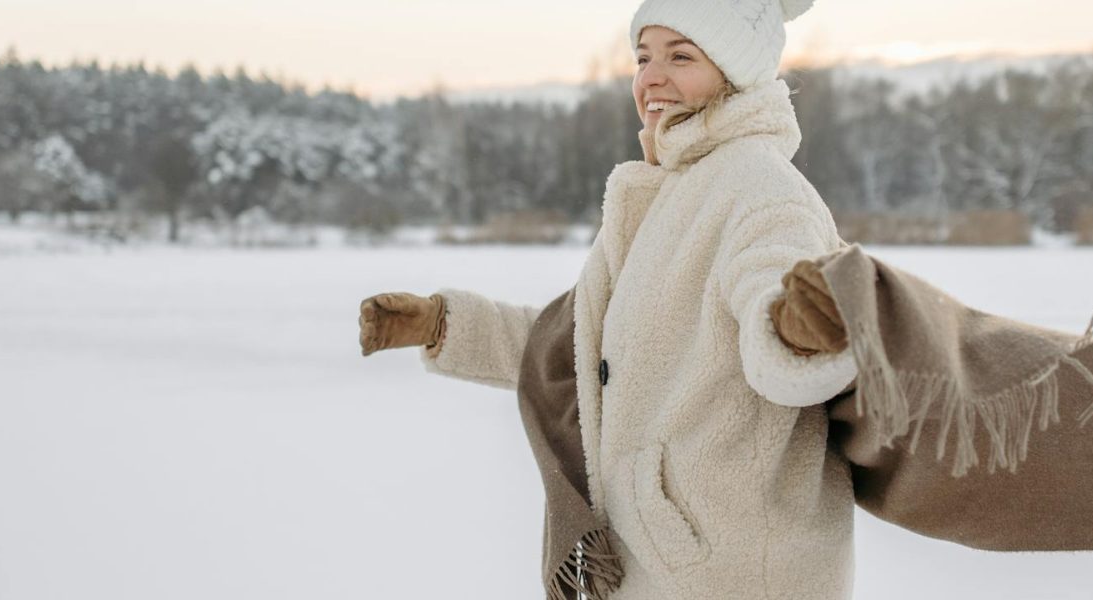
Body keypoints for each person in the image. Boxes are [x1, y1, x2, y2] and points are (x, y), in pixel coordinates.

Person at [360, 1, 859, 597]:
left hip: (732, 568)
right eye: (643, 57)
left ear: (735, 73)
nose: (651, 76)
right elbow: (588, 345)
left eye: (682, 56)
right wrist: (445, 325)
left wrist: (795, 328)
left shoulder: (759, 188)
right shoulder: (673, 191)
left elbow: (784, 323)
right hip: (665, 558)